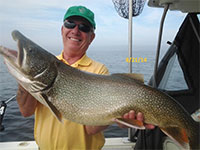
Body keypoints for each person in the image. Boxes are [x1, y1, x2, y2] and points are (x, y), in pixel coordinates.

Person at [16, 5, 154, 150]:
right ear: (62, 30)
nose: (76, 31)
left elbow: (91, 129)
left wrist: (119, 117)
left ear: (91, 37)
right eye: (70, 24)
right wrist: (26, 75)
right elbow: (26, 111)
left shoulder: (99, 71)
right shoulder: (45, 66)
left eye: (84, 27)